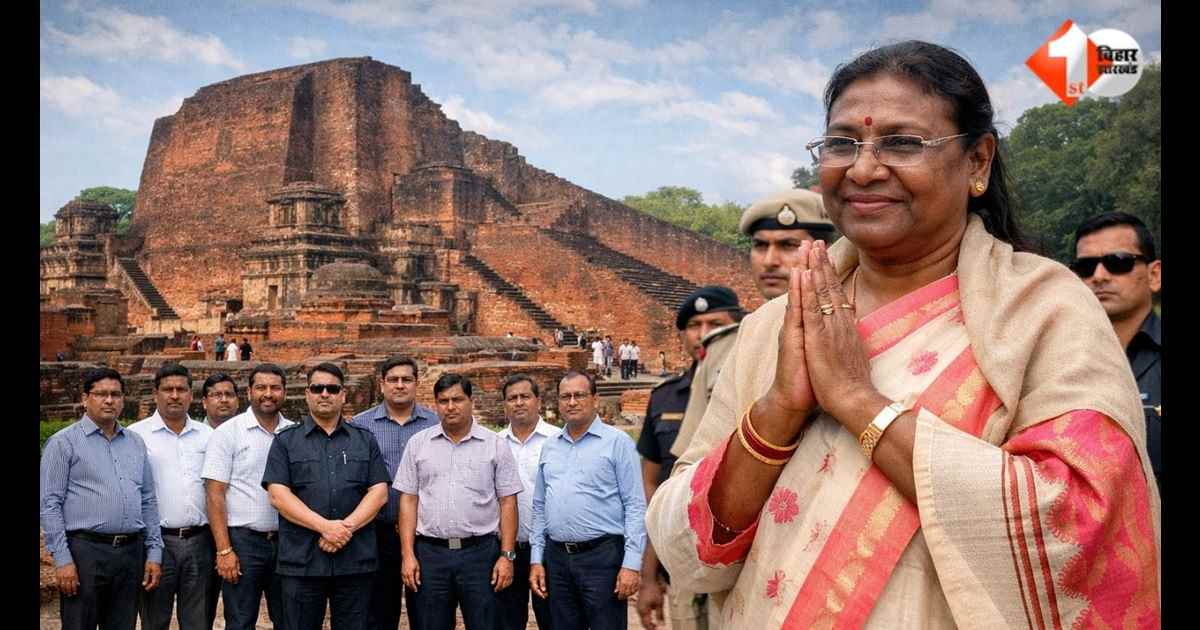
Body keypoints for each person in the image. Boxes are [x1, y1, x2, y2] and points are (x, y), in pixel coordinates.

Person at [645, 40, 1159, 628]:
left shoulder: (1044, 312)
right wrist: (779, 411)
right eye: (843, 143)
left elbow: (1084, 532)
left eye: (903, 143)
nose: (863, 168)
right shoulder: (770, 330)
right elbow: (687, 547)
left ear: (978, 163)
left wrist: (859, 403)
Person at [671, 189, 836, 465]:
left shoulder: (853, 332)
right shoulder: (724, 345)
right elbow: (692, 461)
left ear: (825, 251)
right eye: (761, 246)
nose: (770, 260)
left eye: (788, 245)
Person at [636, 287, 742, 630]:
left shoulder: (754, 386)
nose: (704, 334)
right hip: (682, 560)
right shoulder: (664, 397)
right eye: (695, 325)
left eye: (716, 323)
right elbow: (654, 491)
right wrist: (649, 576)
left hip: (743, 562)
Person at [263, 363, 391, 630]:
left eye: (332, 388)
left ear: (343, 394)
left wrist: (345, 529)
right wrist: (325, 528)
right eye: (317, 388)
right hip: (302, 560)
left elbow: (378, 493)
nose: (324, 394)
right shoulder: (286, 441)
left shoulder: (364, 440)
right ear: (307, 394)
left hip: (355, 559)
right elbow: (278, 495)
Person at [395, 374, 522, 630]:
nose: (450, 407)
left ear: (471, 401)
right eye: (443, 401)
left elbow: (508, 502)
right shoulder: (418, 444)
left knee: (487, 623)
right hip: (431, 555)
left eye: (457, 399)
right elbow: (408, 501)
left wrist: (507, 556)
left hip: (481, 554)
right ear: (435, 404)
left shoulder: (495, 445)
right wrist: (408, 555)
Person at [41, 367, 165, 630]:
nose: (109, 400)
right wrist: (62, 560)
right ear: (86, 398)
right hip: (85, 551)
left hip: (130, 552)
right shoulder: (63, 443)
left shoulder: (135, 442)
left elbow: (148, 500)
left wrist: (154, 552)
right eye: (101, 394)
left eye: (116, 394)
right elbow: (49, 505)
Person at [530, 370, 647, 630]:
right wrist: (537, 558)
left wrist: (631, 564)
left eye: (579, 395)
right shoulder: (550, 446)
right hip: (558, 559)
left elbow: (636, 505)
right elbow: (539, 506)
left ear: (595, 399)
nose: (572, 402)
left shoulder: (618, 443)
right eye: (565, 396)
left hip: (602, 558)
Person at [1073, 212, 1162, 496]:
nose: (1099, 276)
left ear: (1154, 275)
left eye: (1118, 262)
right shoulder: (1057, 364)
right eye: (1086, 267)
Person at [202, 363, 295, 630]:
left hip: (287, 542)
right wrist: (224, 550)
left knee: (290, 619)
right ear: (249, 391)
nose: (268, 393)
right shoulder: (228, 433)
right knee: (240, 620)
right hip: (244, 543)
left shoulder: (294, 432)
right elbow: (215, 495)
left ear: (284, 392)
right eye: (261, 387)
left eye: (275, 387)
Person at [350, 356, 440, 630]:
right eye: (393, 380)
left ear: (416, 383)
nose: (400, 386)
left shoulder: (435, 423)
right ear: (382, 384)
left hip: (425, 534)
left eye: (406, 379)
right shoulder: (360, 426)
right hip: (377, 531)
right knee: (378, 611)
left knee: (427, 610)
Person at [128, 363, 216, 630]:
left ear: (191, 394)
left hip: (200, 541)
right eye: (168, 389)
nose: (175, 395)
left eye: (181, 389)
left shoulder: (208, 436)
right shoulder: (136, 435)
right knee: (155, 620)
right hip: (156, 544)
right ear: (156, 393)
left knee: (198, 621)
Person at [495, 374, 560, 630]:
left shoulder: (558, 440)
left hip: (549, 550)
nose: (519, 403)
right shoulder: (495, 444)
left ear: (538, 401)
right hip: (507, 550)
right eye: (512, 398)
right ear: (505, 405)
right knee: (507, 621)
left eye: (525, 396)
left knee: (553, 619)